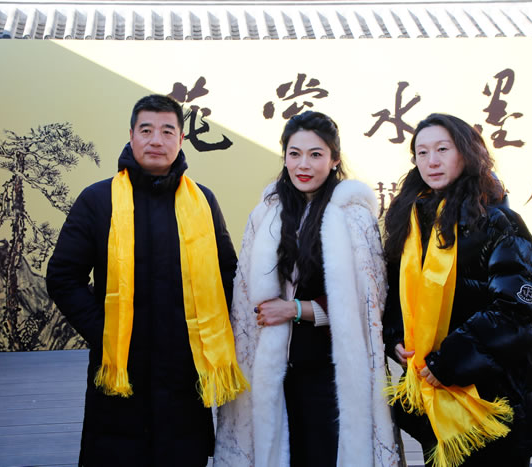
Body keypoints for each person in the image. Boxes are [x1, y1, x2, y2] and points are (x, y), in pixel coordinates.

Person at [46, 94, 247, 467]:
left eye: (167, 131)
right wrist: (105, 331)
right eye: (147, 130)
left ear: (181, 139)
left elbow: (227, 273)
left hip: (185, 369)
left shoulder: (203, 201)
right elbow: (63, 276)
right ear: (131, 135)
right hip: (122, 366)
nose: (157, 140)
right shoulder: (98, 200)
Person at [214, 111, 403, 467]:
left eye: (316, 154)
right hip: (274, 369)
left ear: (334, 160)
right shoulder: (266, 213)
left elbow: (368, 302)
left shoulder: (354, 217)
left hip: (330, 372)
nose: (304, 165)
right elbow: (244, 296)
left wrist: (296, 309)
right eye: (294, 153)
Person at [382, 113, 532, 467]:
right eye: (422, 152)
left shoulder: (496, 222)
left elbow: (523, 310)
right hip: (435, 396)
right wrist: (395, 336)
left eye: (443, 149)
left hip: (493, 401)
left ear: (466, 153)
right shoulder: (410, 222)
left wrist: (450, 361)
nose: (432, 161)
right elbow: (398, 294)